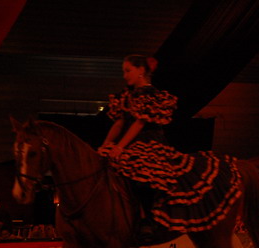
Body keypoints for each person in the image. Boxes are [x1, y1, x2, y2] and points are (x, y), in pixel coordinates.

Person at [97, 54, 242, 238]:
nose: (125, 75)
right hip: (128, 143)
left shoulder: (150, 94)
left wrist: (120, 147)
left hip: (149, 144)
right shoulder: (125, 96)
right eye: (123, 71)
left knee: (143, 177)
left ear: (141, 71)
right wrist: (106, 145)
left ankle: (148, 219)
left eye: (128, 71)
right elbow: (119, 123)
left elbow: (140, 123)